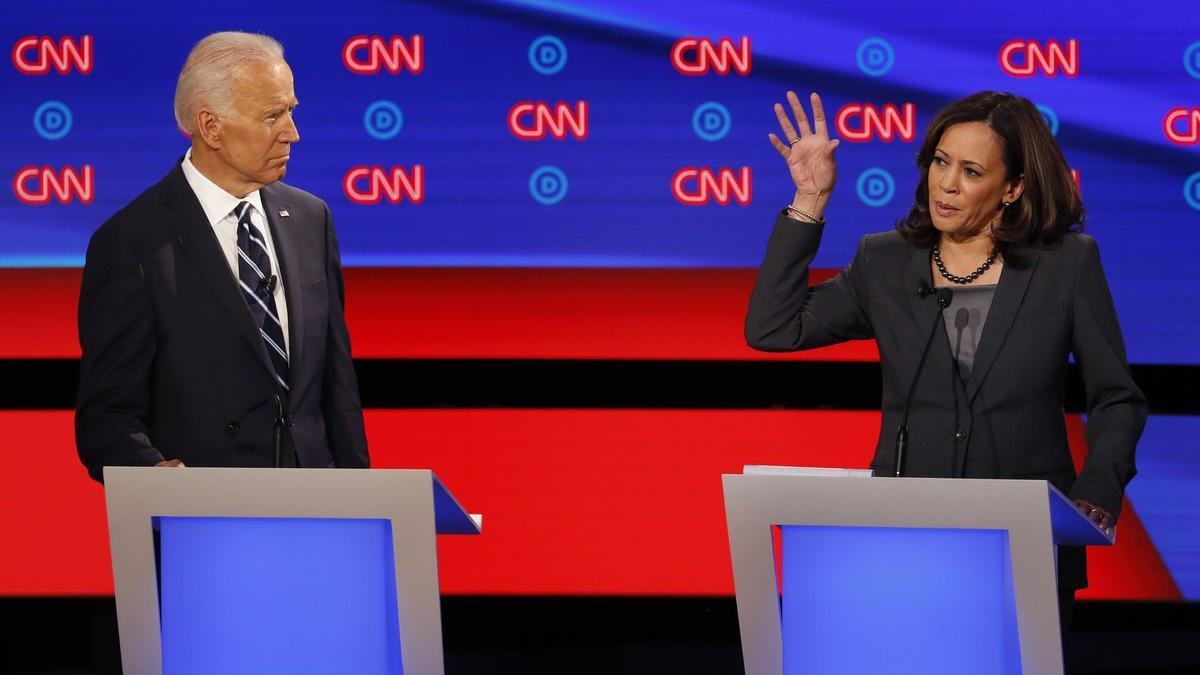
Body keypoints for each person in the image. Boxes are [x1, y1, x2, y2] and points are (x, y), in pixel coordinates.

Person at [745, 90, 1146, 620]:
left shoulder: (1065, 265)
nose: (947, 184)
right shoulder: (885, 262)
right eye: (940, 162)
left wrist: (1095, 492)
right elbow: (774, 328)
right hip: (908, 539)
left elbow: (1117, 397)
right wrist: (810, 200)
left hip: (1026, 544)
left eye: (971, 171)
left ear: (1013, 187)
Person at [76, 31, 369, 479]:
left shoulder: (311, 219)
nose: (292, 133)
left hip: (315, 503)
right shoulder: (133, 242)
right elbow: (107, 414)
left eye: (291, 111)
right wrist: (153, 473)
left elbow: (338, 388)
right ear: (211, 127)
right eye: (272, 116)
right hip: (207, 508)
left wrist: (360, 498)